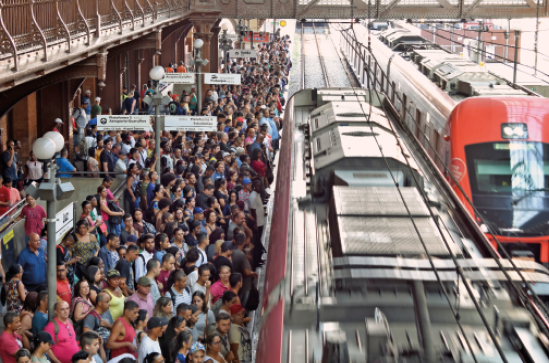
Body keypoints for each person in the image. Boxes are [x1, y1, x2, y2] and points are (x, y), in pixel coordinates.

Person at [231, 233, 257, 306]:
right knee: (242, 304)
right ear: (244, 242)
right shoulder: (241, 255)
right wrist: (253, 274)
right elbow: (246, 272)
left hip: (234, 282)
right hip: (244, 285)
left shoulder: (232, 251)